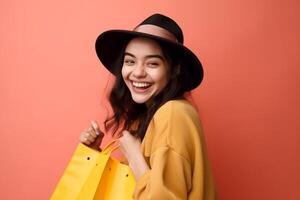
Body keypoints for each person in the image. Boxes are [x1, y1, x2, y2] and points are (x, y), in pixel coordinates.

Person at [79, 13, 216, 199]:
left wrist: (135, 156)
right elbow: (132, 188)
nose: (137, 72)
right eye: (130, 61)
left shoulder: (173, 113)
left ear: (174, 69)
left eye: (152, 63)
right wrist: (94, 152)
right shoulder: (147, 117)